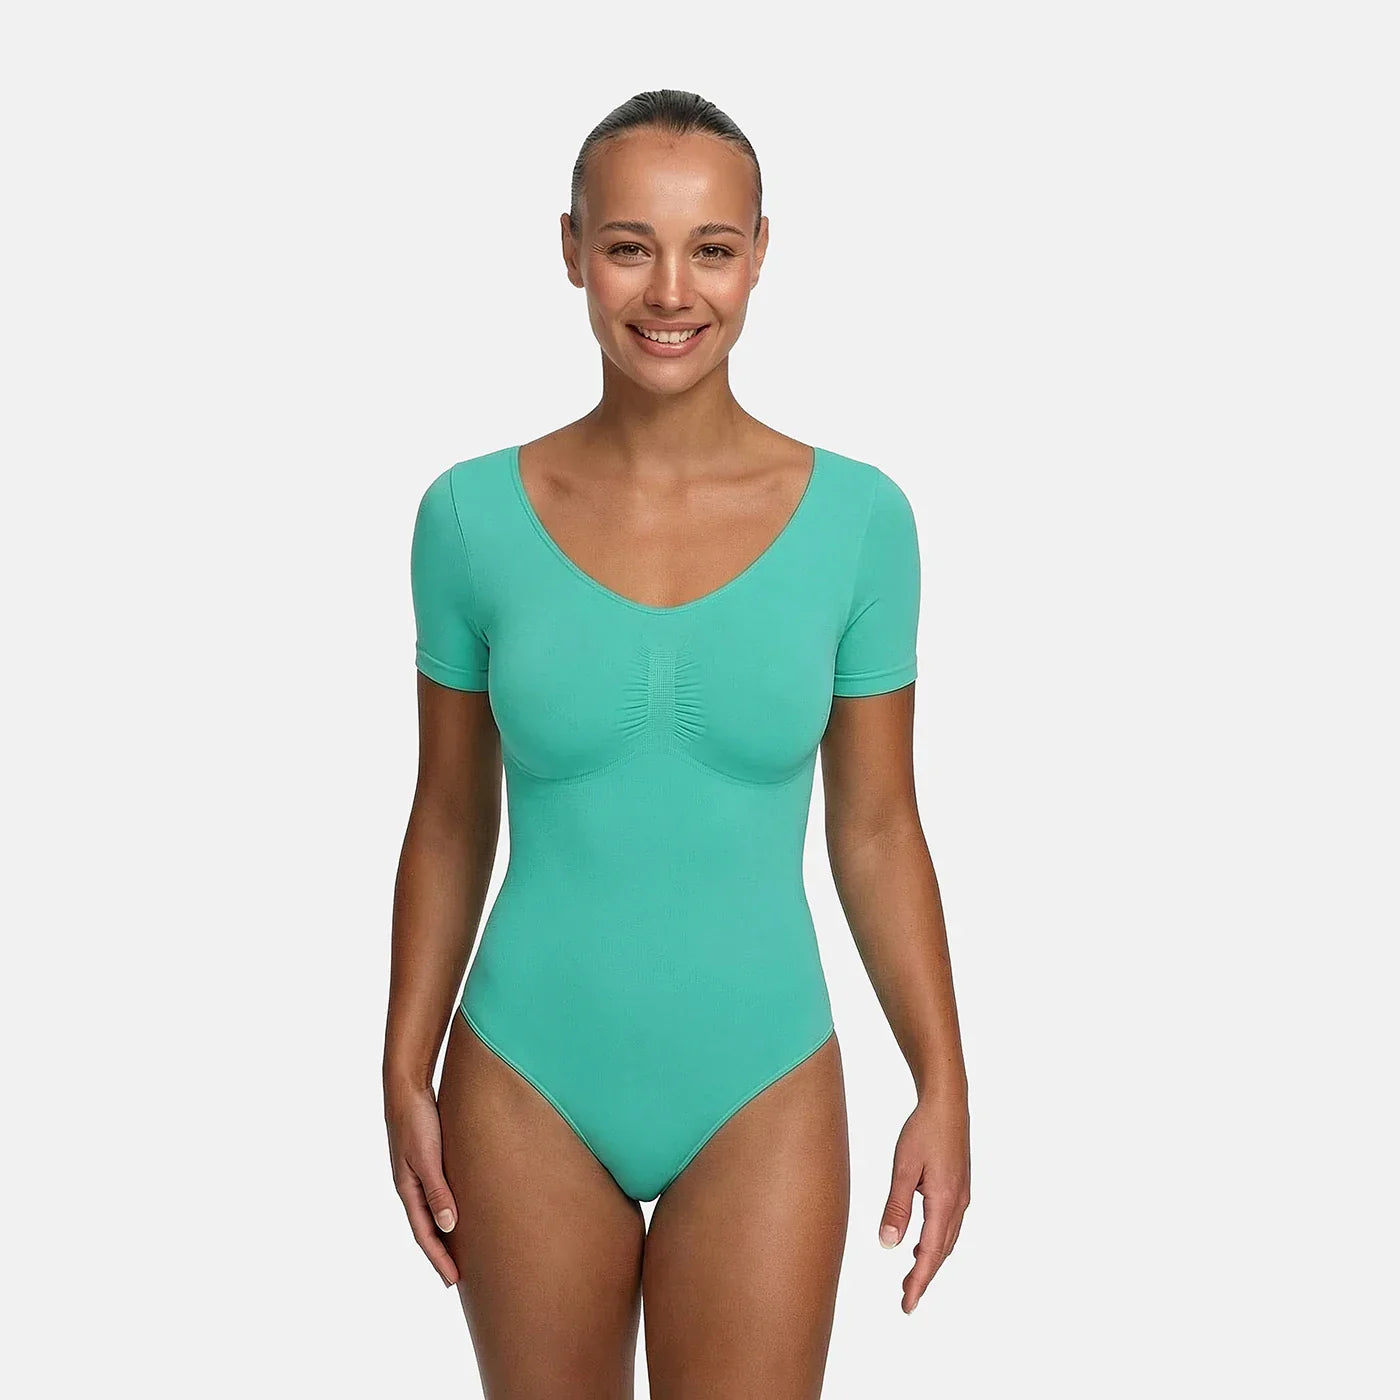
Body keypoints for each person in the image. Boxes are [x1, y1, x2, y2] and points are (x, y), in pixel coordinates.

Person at [384, 88, 970, 1399]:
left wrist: (942, 1080)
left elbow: (879, 826)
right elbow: (449, 816)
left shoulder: (860, 522)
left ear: (759, 253)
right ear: (571, 249)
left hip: (763, 1082)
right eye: (627, 245)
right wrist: (402, 1065)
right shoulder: (468, 519)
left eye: (710, 248)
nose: (669, 291)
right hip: (525, 1076)